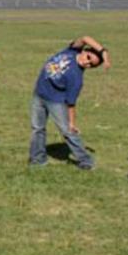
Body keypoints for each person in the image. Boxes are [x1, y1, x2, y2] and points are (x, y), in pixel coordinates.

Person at [28, 36, 108, 170]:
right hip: (39, 94)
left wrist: (71, 123)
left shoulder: (77, 78)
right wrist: (103, 52)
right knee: (37, 128)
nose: (87, 63)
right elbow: (85, 38)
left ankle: (86, 161)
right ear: (84, 51)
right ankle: (38, 160)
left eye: (91, 65)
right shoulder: (71, 51)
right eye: (89, 58)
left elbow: (71, 103)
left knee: (67, 132)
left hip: (55, 102)